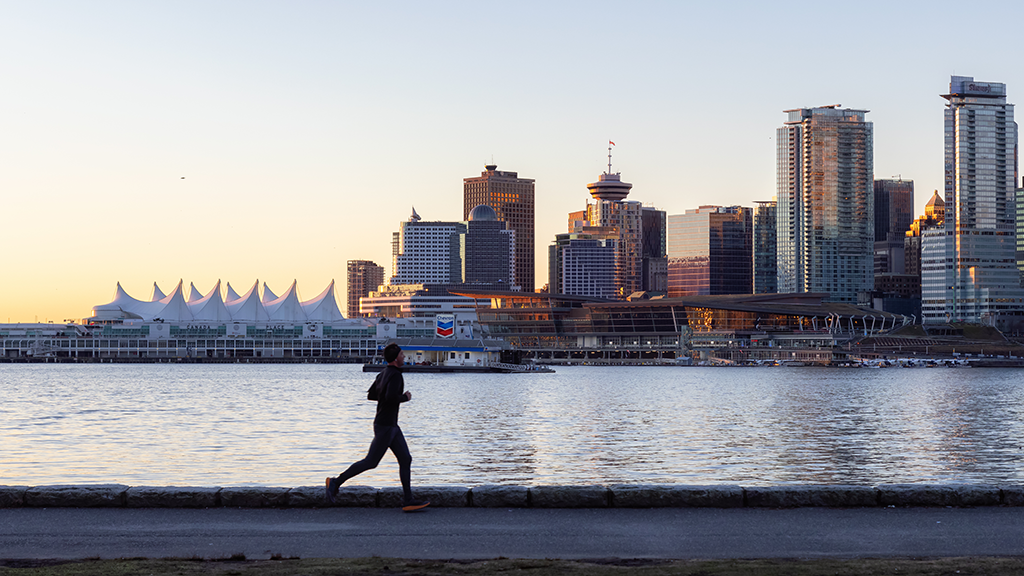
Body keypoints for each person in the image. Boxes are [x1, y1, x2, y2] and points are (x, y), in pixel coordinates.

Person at [325, 343, 429, 512]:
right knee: (371, 462)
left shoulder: (383, 374)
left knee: (405, 459)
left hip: (389, 425)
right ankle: (336, 482)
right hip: (386, 425)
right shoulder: (395, 375)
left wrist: (388, 398)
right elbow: (389, 397)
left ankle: (408, 499)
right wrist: (405, 397)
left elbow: (372, 395)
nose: (404, 357)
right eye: (402, 355)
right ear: (396, 359)